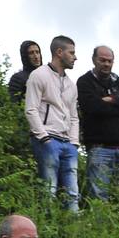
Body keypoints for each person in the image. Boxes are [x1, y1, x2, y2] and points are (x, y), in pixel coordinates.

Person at [77, 46, 119, 201]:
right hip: (99, 148)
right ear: (94, 60)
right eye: (102, 60)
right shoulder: (84, 81)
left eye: (109, 61)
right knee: (99, 196)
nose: (106, 64)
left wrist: (111, 100)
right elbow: (92, 107)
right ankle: (100, 226)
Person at [24, 36, 81, 212]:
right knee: (49, 190)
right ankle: (47, 229)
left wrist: (74, 142)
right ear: (59, 52)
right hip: (48, 140)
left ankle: (73, 231)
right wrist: (44, 137)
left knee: (72, 193)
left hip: (67, 143)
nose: (75, 57)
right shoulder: (39, 75)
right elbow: (31, 109)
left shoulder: (71, 84)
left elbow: (73, 116)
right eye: (71, 52)